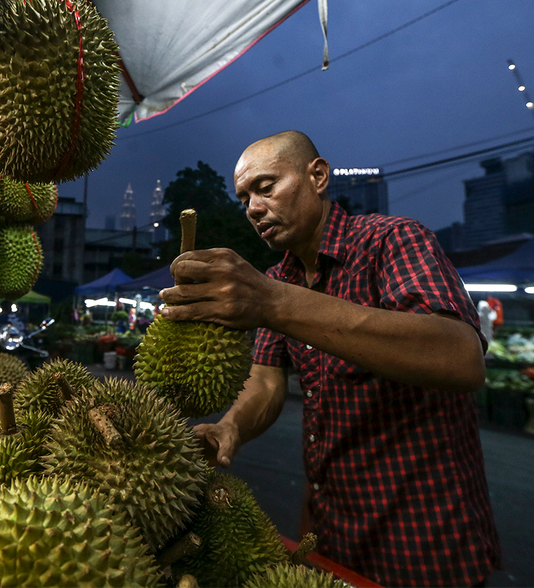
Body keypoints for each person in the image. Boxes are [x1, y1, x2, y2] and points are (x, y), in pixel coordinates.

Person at [160, 131, 500, 587]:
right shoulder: (278, 277)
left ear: (317, 176)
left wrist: (276, 303)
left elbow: (460, 356)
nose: (254, 209)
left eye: (266, 187)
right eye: (244, 199)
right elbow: (265, 382)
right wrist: (231, 426)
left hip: (424, 532)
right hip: (330, 524)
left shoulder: (392, 241)